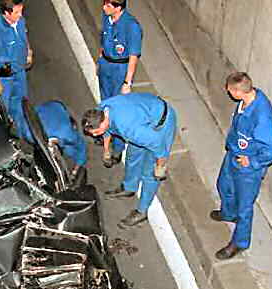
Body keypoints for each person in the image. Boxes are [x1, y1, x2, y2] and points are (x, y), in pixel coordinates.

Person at [211, 72, 272, 260]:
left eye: (229, 90)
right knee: (224, 186)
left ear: (237, 92)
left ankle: (240, 242)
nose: (227, 92)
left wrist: (253, 162)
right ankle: (228, 213)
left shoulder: (262, 117)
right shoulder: (245, 101)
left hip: (248, 169)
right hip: (233, 155)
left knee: (245, 206)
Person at [82, 93, 177, 227]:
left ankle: (142, 211)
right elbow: (107, 132)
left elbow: (158, 144)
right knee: (132, 155)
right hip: (143, 116)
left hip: (160, 125)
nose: (95, 135)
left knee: (150, 173)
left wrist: (160, 167)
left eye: (96, 132)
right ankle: (129, 187)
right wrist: (107, 151)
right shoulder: (101, 110)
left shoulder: (129, 129)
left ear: (104, 121)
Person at [96, 0, 142, 168]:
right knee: (105, 104)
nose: (103, 8)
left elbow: (133, 56)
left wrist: (127, 82)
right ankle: (105, 135)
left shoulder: (132, 26)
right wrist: (99, 59)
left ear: (118, 7)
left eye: (108, 6)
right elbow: (103, 38)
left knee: (118, 108)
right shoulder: (106, 16)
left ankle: (117, 146)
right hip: (106, 66)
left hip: (120, 69)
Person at [0, 0, 33, 142]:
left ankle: (22, 129)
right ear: (6, 13)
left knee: (21, 101)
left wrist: (28, 51)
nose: (20, 14)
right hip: (4, 78)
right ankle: (4, 137)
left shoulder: (20, 20)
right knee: (4, 108)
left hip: (19, 71)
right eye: (17, 12)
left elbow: (24, 36)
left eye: (21, 10)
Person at [36, 101, 88, 178]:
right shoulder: (32, 133)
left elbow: (81, 147)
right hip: (47, 110)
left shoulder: (68, 135)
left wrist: (75, 172)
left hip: (55, 107)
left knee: (71, 149)